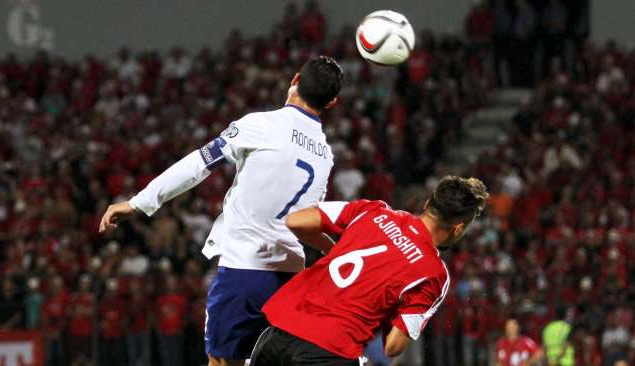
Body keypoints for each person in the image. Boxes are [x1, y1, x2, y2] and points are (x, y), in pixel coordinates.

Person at [99, 55, 344, 366]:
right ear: (332, 102)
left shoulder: (261, 125)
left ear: (295, 79)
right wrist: (337, 251)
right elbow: (309, 223)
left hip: (245, 270)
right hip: (291, 279)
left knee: (221, 362)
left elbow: (199, 163)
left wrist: (138, 202)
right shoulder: (324, 156)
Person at [251, 175, 489, 365]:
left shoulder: (373, 210)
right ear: (457, 229)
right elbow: (393, 347)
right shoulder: (433, 274)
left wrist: (331, 250)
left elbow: (296, 221)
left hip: (279, 331)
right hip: (331, 350)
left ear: (427, 205)